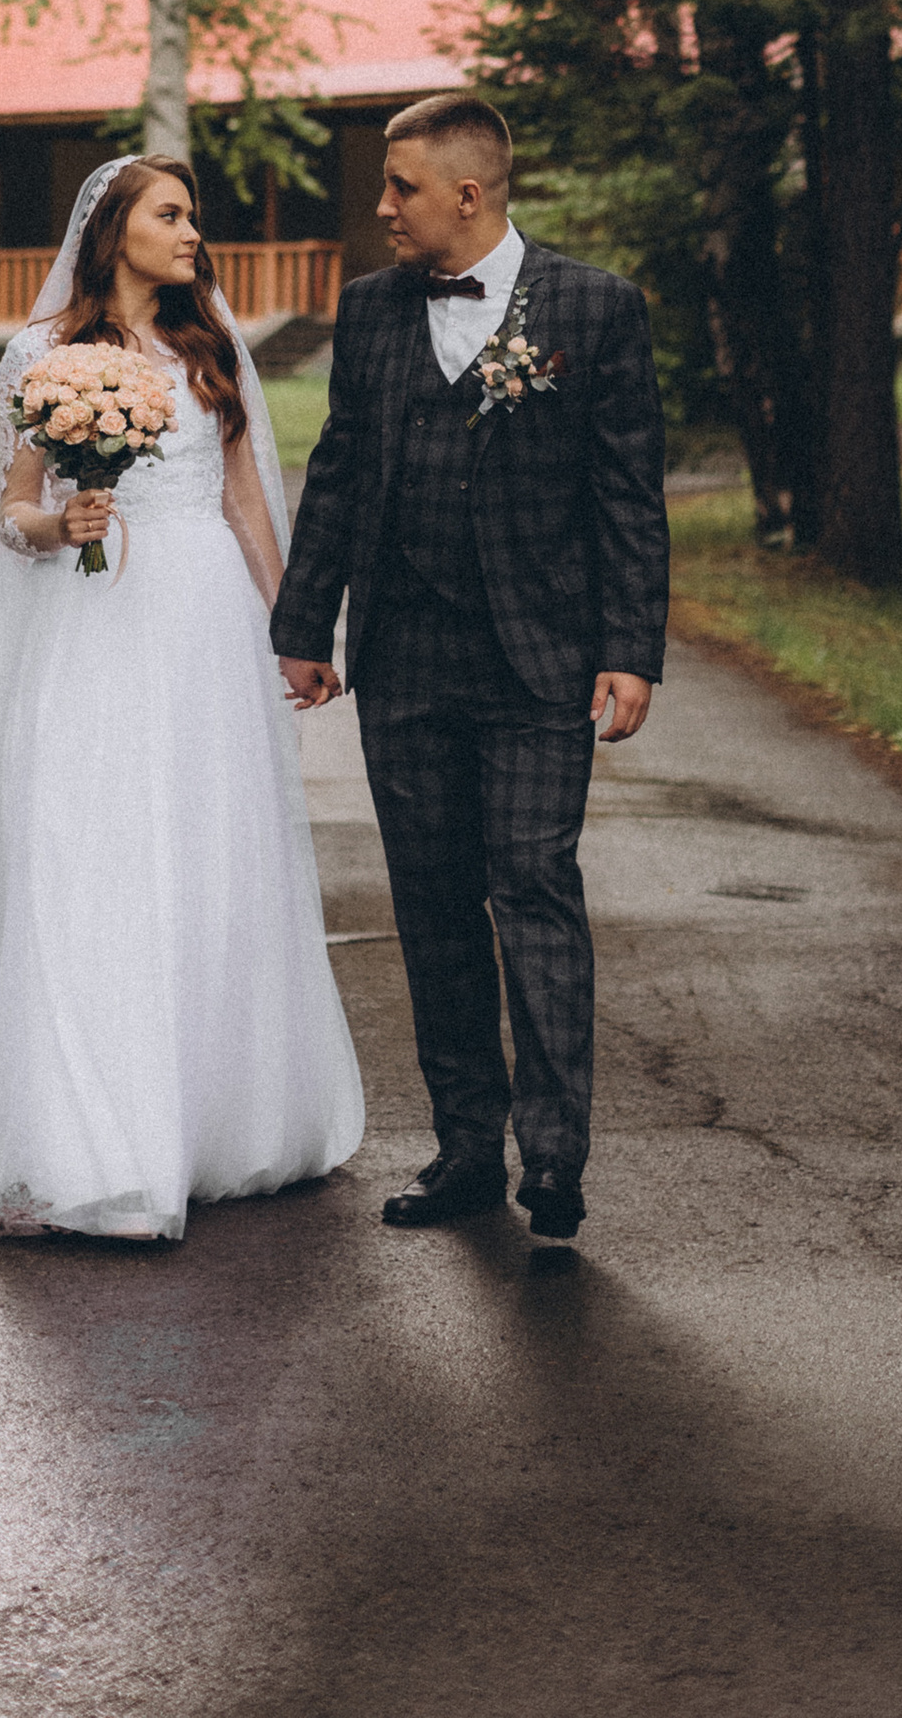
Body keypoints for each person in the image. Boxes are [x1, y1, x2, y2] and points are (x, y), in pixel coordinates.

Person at [0, 153, 365, 1242]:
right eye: (171, 215)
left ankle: (219, 1119)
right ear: (113, 226)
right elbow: (13, 513)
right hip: (96, 624)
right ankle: (88, 1132)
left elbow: (246, 502)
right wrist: (60, 524)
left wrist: (295, 629)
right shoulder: (40, 354)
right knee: (94, 849)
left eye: (193, 217)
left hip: (205, 623)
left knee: (211, 846)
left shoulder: (208, 348)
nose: (191, 234)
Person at [269, 91, 668, 1252]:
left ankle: (554, 1152)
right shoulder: (370, 310)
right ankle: (463, 1151)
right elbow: (339, 470)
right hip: (404, 657)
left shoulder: (593, 308)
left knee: (532, 883)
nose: (382, 208)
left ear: (468, 192)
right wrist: (305, 623)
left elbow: (626, 493)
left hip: (537, 658)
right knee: (432, 901)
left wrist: (628, 648)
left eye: (399, 188)